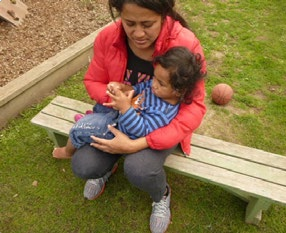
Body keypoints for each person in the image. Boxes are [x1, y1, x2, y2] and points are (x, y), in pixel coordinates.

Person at [71, 1, 207, 232]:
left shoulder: (185, 43)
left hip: (158, 127)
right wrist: (113, 92)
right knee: (83, 166)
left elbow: (194, 107)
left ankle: (161, 195)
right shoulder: (108, 38)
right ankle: (107, 167)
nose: (138, 33)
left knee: (139, 169)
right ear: (119, 15)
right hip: (117, 118)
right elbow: (93, 81)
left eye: (147, 24)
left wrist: (137, 144)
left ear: (164, 16)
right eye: (129, 23)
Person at [53, 47, 204, 160]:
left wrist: (125, 107)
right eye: (154, 78)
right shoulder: (158, 90)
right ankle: (93, 119)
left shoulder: (163, 113)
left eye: (161, 83)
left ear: (179, 91)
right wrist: (125, 89)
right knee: (102, 105)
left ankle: (67, 152)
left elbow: (141, 130)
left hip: (120, 131)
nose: (153, 84)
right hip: (120, 115)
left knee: (79, 129)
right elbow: (142, 87)